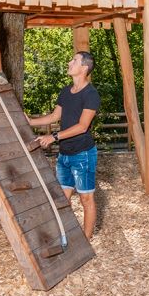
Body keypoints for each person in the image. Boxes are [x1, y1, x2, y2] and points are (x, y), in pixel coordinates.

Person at [28, 51, 100, 240]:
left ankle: (86, 241)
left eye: (74, 60)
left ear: (84, 68)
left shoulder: (91, 94)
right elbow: (54, 116)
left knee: (86, 198)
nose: (69, 62)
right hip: (65, 155)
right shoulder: (65, 91)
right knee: (62, 199)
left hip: (83, 154)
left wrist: (54, 136)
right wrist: (29, 122)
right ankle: (62, 236)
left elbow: (82, 127)